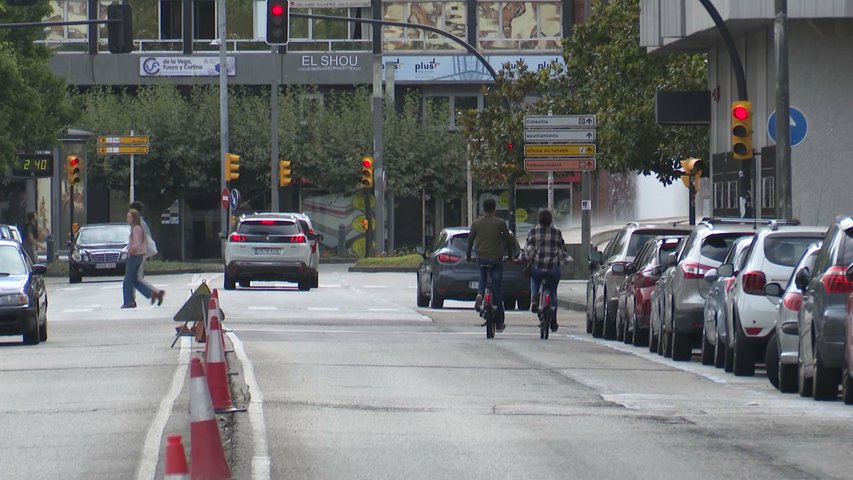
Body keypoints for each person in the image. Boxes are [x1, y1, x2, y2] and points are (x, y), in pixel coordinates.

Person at [466, 198, 514, 332]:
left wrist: (468, 256)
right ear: (494, 209)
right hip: (496, 258)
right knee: (497, 289)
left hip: (481, 257)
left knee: (482, 275)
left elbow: (470, 240)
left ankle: (480, 294)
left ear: (483, 209)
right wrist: (509, 256)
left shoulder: (476, 223)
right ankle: (499, 322)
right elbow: (508, 240)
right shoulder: (500, 223)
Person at [518, 209, 570, 332]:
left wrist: (521, 258)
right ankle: (554, 320)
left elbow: (528, 249)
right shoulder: (557, 232)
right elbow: (562, 248)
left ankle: (534, 298)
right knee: (553, 291)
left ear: (539, 219)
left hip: (538, 267)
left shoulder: (533, 232)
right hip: (553, 268)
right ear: (551, 220)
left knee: (535, 280)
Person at [122, 209, 163, 308]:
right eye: (127, 217)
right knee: (135, 280)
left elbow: (136, 244)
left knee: (127, 281)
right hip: (139, 255)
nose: (127, 219)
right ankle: (154, 294)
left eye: (129, 217)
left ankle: (129, 302)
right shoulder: (139, 228)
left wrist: (129, 250)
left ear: (134, 218)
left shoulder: (136, 229)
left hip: (135, 255)